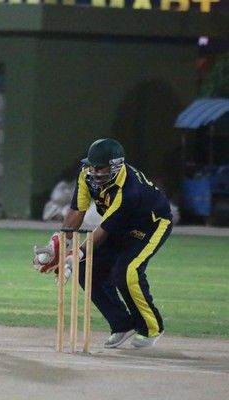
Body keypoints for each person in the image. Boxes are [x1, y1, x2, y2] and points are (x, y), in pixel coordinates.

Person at [33, 138, 172, 349]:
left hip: (151, 224)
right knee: (85, 270)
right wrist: (58, 243)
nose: (95, 172)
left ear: (115, 166)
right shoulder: (85, 174)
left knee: (127, 272)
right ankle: (122, 325)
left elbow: (104, 230)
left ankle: (151, 328)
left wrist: (75, 254)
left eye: (100, 168)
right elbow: (77, 211)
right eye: (92, 166)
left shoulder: (129, 191)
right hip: (118, 224)